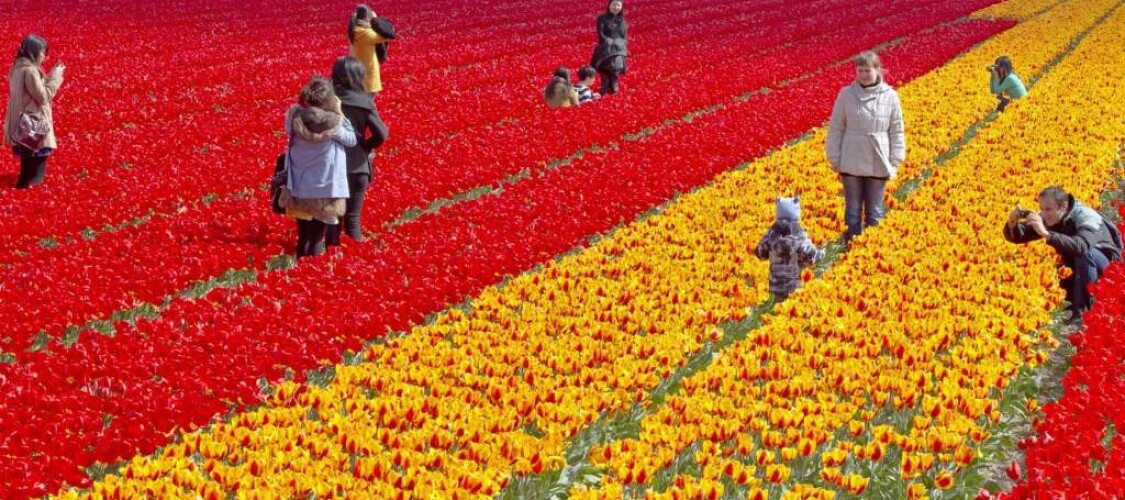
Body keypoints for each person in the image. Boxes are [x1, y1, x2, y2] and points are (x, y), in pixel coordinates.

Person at [1003, 186, 1122, 324]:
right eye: (1041, 208)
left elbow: (1081, 246)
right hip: (1081, 266)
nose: (1043, 213)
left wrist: (1047, 234)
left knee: (1083, 254)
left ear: (1064, 206)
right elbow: (1021, 235)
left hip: (1107, 268)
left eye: (1048, 209)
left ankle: (1082, 312)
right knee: (1060, 258)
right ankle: (1069, 304)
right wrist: (1012, 223)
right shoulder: (1051, 216)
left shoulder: (1086, 217)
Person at [825, 51, 906, 243]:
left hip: (878, 158)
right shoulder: (846, 94)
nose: (863, 74)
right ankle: (851, 250)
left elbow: (897, 129)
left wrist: (895, 160)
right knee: (852, 210)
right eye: (859, 70)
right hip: (851, 157)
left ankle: (870, 250)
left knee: (875, 211)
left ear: (878, 70)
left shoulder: (890, 96)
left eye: (867, 70)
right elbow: (836, 127)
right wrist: (834, 157)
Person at [280, 77, 356, 259]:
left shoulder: (294, 119)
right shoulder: (335, 125)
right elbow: (352, 140)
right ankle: (310, 276)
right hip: (325, 191)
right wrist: (339, 112)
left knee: (303, 237)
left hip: (299, 187)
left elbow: (287, 128)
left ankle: (299, 273)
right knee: (316, 238)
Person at [327, 56, 388, 245]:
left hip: (330, 166)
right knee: (353, 221)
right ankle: (354, 261)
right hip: (357, 166)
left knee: (333, 221)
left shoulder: (326, 99)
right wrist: (366, 145)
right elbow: (382, 134)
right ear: (359, 75)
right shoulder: (363, 101)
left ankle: (331, 261)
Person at [5, 34, 65, 188]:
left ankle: (20, 199)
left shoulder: (16, 69)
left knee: (26, 170)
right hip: (34, 125)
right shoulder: (30, 71)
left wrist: (50, 74)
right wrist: (57, 78)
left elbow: (32, 90)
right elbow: (43, 97)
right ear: (33, 52)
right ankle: (31, 200)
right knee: (35, 173)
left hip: (21, 125)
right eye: (43, 52)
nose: (44, 56)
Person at [755, 197, 825, 302]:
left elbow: (759, 253)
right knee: (789, 314)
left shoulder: (771, 234)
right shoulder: (799, 235)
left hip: (775, 287)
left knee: (778, 314)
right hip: (794, 287)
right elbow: (811, 257)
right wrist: (822, 253)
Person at [347, 4, 394, 95]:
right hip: (366, 68)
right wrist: (376, 20)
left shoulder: (354, 29)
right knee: (367, 97)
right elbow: (386, 35)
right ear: (367, 17)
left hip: (356, 65)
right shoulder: (365, 33)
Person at [591, 0, 627, 95]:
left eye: (618, 5)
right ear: (609, 5)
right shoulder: (602, 18)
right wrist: (610, 42)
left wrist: (621, 45)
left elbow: (624, 36)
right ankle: (605, 82)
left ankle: (614, 83)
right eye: (614, 5)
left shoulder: (622, 21)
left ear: (621, 7)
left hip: (618, 48)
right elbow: (601, 33)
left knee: (616, 65)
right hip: (605, 46)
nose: (616, 7)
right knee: (602, 66)